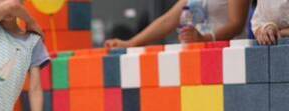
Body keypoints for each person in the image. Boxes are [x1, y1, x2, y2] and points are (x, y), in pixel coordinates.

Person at [105, 0, 250, 48]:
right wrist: (130, 43)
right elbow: (168, 20)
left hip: (231, 58)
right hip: (198, 59)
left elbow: (236, 24)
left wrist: (204, 39)